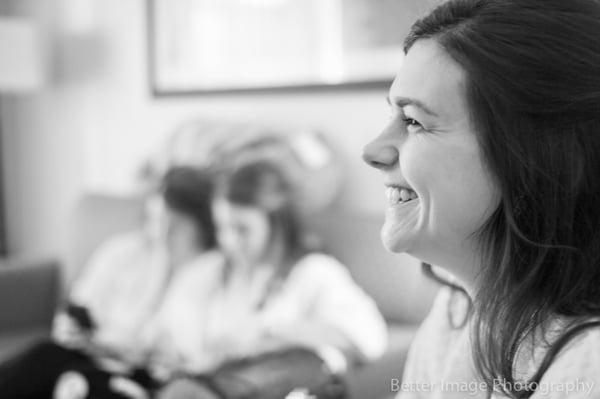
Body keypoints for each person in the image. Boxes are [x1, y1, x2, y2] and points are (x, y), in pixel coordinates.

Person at [362, 0, 600, 398]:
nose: (372, 150)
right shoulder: (459, 309)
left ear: (532, 156)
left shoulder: (589, 366)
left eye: (414, 121)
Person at [157, 158, 388, 399]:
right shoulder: (208, 271)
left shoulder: (313, 271)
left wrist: (270, 334)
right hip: (205, 380)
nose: (229, 241)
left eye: (242, 229)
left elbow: (369, 339)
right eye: (222, 227)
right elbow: (173, 337)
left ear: (275, 223)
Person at [0, 166, 218, 398]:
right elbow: (76, 308)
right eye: (157, 220)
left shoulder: (212, 273)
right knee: (44, 357)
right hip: (86, 355)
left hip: (140, 377)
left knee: (82, 384)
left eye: (176, 226)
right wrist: (77, 330)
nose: (163, 233)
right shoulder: (123, 252)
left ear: (203, 227)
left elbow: (197, 358)